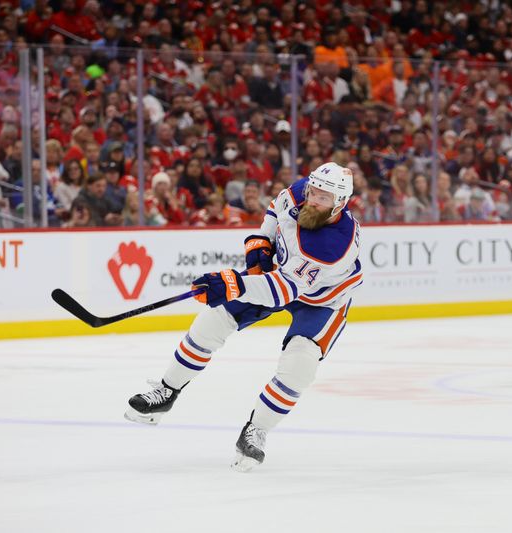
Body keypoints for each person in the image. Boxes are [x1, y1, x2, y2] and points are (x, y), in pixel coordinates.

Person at [124, 162, 362, 472]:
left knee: (300, 364)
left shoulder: (333, 244)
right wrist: (261, 244)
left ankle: (257, 429)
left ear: (339, 204)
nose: (313, 199)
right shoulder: (304, 190)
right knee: (214, 319)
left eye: (323, 198)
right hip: (282, 275)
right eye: (313, 191)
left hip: (322, 300)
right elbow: (277, 210)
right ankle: (167, 391)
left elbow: (283, 291)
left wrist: (232, 284)